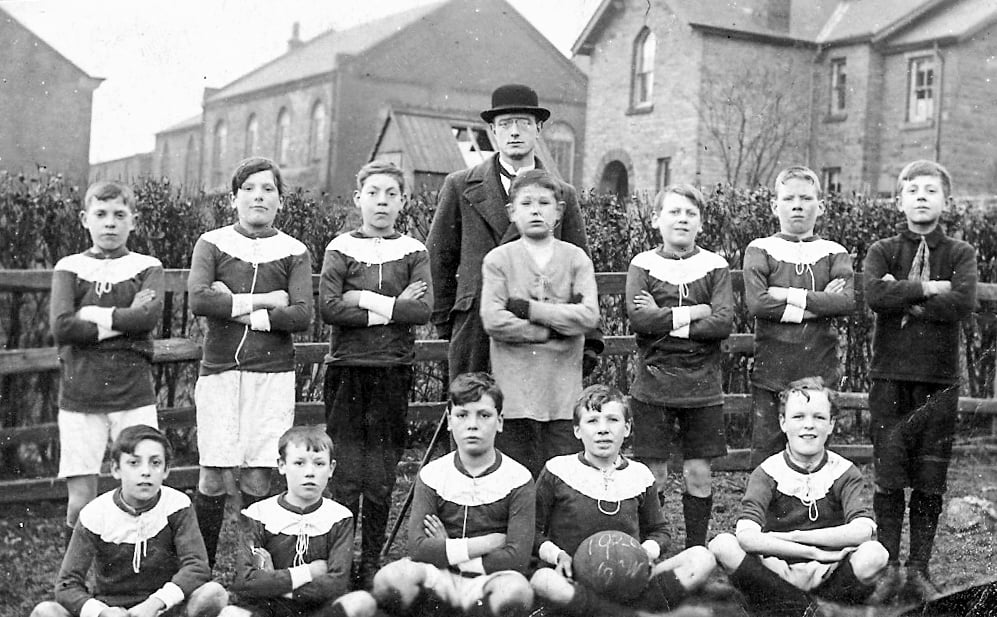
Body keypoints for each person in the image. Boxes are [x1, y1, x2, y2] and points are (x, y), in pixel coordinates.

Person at [188, 157, 314, 568]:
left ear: (280, 200)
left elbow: (301, 315)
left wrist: (235, 308)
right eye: (248, 189)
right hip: (219, 373)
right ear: (233, 198)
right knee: (212, 476)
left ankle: (250, 572)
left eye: (268, 189)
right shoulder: (212, 242)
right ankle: (199, 571)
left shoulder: (294, 251)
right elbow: (199, 300)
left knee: (259, 477)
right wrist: (265, 301)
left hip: (271, 377)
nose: (258, 196)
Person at [427, 83, 600, 379]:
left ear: (539, 129)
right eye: (506, 124)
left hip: (544, 327)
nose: (515, 132)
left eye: (524, 123)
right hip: (477, 328)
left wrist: (591, 339)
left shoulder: (562, 194)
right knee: (477, 404)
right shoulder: (460, 186)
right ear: (493, 131)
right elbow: (438, 259)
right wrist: (447, 323)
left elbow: (581, 268)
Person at [863, 160, 978, 604]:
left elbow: (962, 302)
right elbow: (876, 295)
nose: (922, 198)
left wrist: (904, 294)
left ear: (946, 201)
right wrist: (930, 288)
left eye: (931, 191)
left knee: (930, 478)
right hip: (890, 378)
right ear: (899, 201)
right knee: (890, 476)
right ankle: (889, 568)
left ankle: (919, 568)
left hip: (938, 381)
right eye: (913, 191)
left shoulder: (960, 253)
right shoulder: (883, 250)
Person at [318, 160, 432, 588]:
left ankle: (371, 561)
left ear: (403, 201)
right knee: (347, 474)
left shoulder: (414, 251)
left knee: (381, 475)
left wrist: (361, 298)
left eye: (391, 194)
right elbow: (330, 308)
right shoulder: (340, 248)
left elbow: (421, 310)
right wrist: (393, 305)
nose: (381, 202)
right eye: (373, 193)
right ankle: (342, 562)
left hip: (392, 371)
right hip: (348, 371)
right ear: (358, 199)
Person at [708, 378, 889, 617]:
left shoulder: (844, 471)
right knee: (722, 544)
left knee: (875, 554)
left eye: (819, 417)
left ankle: (791, 607)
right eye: (798, 417)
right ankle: (808, 608)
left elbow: (862, 531)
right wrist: (812, 551)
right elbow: (746, 536)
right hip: (777, 570)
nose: (809, 425)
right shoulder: (768, 472)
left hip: (829, 569)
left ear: (831, 424)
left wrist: (797, 537)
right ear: (783, 423)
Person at [530, 385, 716, 617]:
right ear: (577, 430)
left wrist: (644, 552)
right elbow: (532, 531)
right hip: (575, 579)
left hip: (631, 579)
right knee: (543, 580)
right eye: (592, 421)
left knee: (702, 558)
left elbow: (660, 531)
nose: (603, 430)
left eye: (613, 420)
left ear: (626, 428)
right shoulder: (558, 470)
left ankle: (613, 612)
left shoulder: (640, 475)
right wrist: (558, 555)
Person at [49, 180, 164, 541]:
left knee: (141, 493)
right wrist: (123, 318)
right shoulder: (69, 267)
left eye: (119, 214)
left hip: (133, 393)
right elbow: (62, 327)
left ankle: (131, 566)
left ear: (134, 221)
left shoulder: (147, 266)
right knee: (81, 502)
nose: (110, 222)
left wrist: (90, 315)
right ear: (86, 219)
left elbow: (145, 320)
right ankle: (76, 572)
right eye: (101, 214)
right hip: (81, 393)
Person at [370, 373, 535, 617]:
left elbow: (517, 558)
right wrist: (485, 543)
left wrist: (447, 549)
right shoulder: (433, 474)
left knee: (516, 591)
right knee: (390, 579)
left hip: (489, 578)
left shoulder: (518, 478)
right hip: (440, 576)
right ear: (449, 420)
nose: (472, 425)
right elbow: (418, 548)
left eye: (484, 415)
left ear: (499, 422)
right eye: (462, 415)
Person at [624, 183, 733, 547]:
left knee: (698, 472)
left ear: (701, 222)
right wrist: (696, 312)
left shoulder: (715, 265)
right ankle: (652, 547)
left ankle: (696, 549)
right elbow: (640, 321)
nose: (682, 219)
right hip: (653, 383)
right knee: (653, 473)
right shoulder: (643, 264)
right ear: (657, 219)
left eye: (690, 213)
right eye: (674, 212)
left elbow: (721, 323)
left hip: (702, 385)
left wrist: (665, 318)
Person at [31, 425, 228, 617]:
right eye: (134, 463)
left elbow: (196, 566)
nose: (146, 471)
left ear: (166, 470)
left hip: (164, 608)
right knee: (46, 611)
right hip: (113, 610)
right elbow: (67, 584)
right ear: (116, 469)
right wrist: (102, 612)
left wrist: (155, 603)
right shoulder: (96, 513)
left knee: (214, 593)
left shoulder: (176, 505)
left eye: (155, 463)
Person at [480, 169, 599, 477]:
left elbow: (588, 315)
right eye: (526, 203)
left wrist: (529, 309)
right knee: (516, 476)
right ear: (512, 212)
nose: (535, 210)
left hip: (562, 393)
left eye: (544, 203)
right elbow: (494, 319)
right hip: (514, 393)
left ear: (559, 211)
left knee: (561, 476)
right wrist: (548, 331)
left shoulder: (576, 259)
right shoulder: (498, 260)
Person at [743, 166, 855, 467]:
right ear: (774, 205)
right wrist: (817, 306)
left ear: (821, 206)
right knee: (768, 453)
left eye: (806, 198)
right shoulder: (761, 248)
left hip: (820, 368)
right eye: (789, 198)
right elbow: (759, 305)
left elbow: (844, 302)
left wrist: (786, 294)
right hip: (773, 369)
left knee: (816, 451)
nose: (797, 205)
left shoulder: (833, 251)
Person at [221, 426, 376, 617]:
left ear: (331, 469)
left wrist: (276, 584)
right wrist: (307, 572)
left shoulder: (339, 517)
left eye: (319, 464)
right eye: (299, 463)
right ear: (282, 465)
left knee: (361, 601)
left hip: (317, 610)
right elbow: (246, 582)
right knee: (231, 613)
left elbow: (337, 582)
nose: (310, 472)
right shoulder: (258, 513)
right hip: (268, 609)